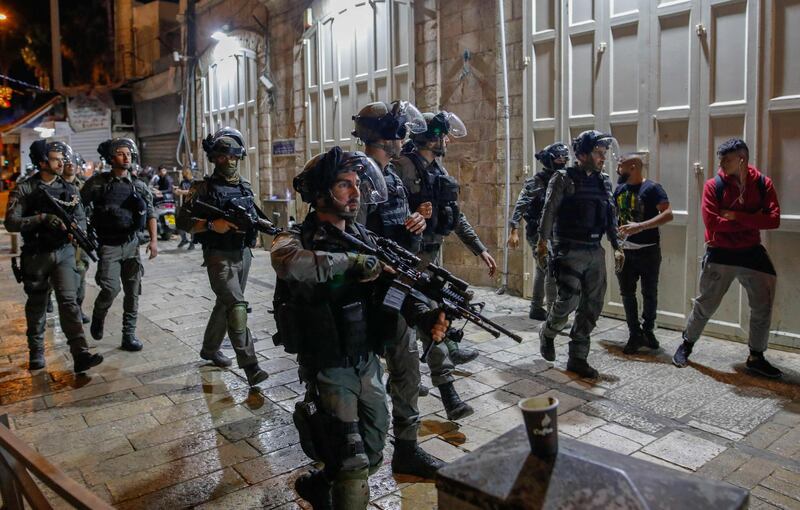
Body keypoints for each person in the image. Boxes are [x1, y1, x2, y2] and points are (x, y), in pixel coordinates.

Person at [271, 146, 448, 509]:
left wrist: (424, 314)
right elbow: (291, 265)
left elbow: (392, 288)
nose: (355, 193)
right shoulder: (294, 238)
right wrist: (354, 264)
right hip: (329, 364)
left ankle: (320, 484)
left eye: (357, 184)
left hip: (366, 360)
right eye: (343, 186)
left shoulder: (364, 237)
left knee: (373, 448)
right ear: (320, 193)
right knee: (351, 463)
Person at [352, 100, 450, 477]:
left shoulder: (389, 176)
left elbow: (394, 227)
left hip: (395, 285)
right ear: (384, 134)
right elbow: (355, 237)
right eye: (399, 130)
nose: (405, 137)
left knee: (407, 364)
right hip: (369, 289)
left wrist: (415, 223)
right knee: (365, 378)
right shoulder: (359, 174)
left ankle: (405, 449)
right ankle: (352, 451)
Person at [673, 138, 782, 378]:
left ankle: (756, 357)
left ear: (742, 160)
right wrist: (752, 218)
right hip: (720, 250)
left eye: (726, 159)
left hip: (752, 251)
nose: (720, 163)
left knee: (762, 306)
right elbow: (712, 223)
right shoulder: (714, 186)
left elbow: (773, 220)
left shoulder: (763, 184)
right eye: (720, 158)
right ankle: (687, 344)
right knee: (705, 304)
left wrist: (734, 216)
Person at [395, 110, 495, 366]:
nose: (448, 141)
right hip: (409, 254)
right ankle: (409, 372)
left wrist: (479, 249)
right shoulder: (403, 167)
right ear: (430, 138)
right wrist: (413, 214)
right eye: (443, 136)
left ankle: (448, 346)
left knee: (438, 302)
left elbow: (454, 214)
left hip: (431, 252)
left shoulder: (437, 168)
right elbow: (390, 214)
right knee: (414, 311)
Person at [176, 127, 270, 388]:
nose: (227, 162)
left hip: (243, 253)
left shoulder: (245, 187)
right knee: (237, 306)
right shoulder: (202, 189)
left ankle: (209, 349)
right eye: (221, 157)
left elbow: (255, 214)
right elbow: (182, 223)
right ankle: (251, 366)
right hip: (218, 255)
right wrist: (209, 225)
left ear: (239, 157)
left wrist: (269, 228)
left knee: (225, 303)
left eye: (232, 157)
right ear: (214, 159)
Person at [4, 140, 103, 373]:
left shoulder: (69, 189)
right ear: (41, 162)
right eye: (56, 159)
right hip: (36, 255)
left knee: (69, 303)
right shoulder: (25, 189)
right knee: (37, 304)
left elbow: (79, 220)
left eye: (62, 158)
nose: (62, 163)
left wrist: (74, 234)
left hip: (64, 253)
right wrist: (41, 219)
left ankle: (80, 354)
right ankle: (36, 352)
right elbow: (11, 222)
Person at [536, 130, 624, 378]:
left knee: (592, 304)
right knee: (568, 301)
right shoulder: (563, 178)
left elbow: (610, 214)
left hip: (595, 249)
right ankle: (549, 331)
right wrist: (542, 243)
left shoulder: (603, 180)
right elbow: (549, 211)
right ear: (582, 154)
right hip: (569, 249)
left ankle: (578, 357)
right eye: (598, 153)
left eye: (604, 153)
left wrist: (617, 246)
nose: (602, 158)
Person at [81, 138, 157, 352]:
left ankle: (128, 335)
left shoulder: (138, 185)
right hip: (109, 246)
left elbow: (151, 213)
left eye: (129, 154)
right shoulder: (97, 183)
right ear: (111, 158)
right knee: (111, 288)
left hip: (132, 245)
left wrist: (153, 241)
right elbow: (79, 208)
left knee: (133, 293)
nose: (127, 158)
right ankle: (99, 314)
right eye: (122, 154)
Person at [613, 153, 673, 354]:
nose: (617, 170)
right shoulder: (619, 189)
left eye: (621, 166)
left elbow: (668, 214)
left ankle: (648, 331)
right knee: (627, 293)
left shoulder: (653, 188)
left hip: (648, 251)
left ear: (633, 167)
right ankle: (634, 333)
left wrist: (640, 226)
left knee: (649, 293)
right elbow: (614, 213)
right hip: (624, 251)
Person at [508, 142, 568, 320]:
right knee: (550, 269)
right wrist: (514, 230)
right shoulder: (536, 181)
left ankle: (535, 308)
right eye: (558, 157)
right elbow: (520, 205)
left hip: (555, 231)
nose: (562, 160)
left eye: (564, 157)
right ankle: (552, 314)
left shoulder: (563, 178)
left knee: (543, 270)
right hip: (538, 232)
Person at [62, 151, 91, 324]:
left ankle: (78, 308)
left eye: (73, 162)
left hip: (81, 239)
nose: (71, 164)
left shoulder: (86, 186)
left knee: (81, 272)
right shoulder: (55, 187)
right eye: (66, 162)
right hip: (61, 240)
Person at [174, 167, 197, 250]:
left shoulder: (194, 182)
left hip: (193, 207)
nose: (184, 175)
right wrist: (177, 190)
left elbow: (192, 192)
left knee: (191, 225)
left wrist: (182, 192)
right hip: (184, 206)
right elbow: (177, 191)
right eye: (183, 173)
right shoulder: (183, 182)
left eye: (185, 173)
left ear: (189, 173)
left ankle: (192, 242)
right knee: (179, 224)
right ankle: (184, 239)